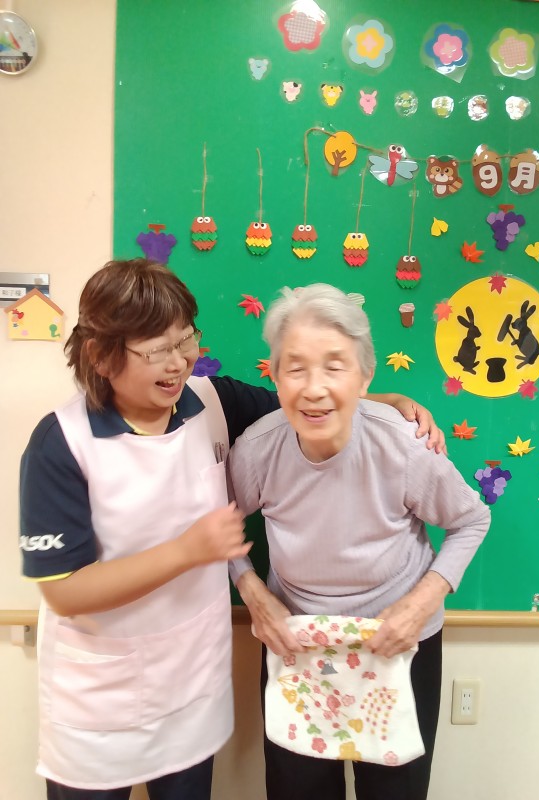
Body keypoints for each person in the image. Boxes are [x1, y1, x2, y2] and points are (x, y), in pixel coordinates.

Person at [19, 259, 445, 800]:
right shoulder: (61, 443)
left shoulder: (211, 401)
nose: (178, 362)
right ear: (101, 356)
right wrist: (187, 551)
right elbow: (65, 591)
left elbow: (302, 404)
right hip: (101, 697)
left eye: (186, 340)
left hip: (192, 682)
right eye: (156, 351)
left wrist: (390, 403)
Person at [228, 283, 491, 800]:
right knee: (298, 791)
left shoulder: (404, 444)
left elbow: (471, 520)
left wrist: (420, 603)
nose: (314, 388)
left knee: (394, 792)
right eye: (296, 369)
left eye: (335, 366)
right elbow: (220, 526)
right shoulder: (257, 449)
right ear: (275, 376)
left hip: (397, 645)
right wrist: (253, 594)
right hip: (297, 643)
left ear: (366, 376)